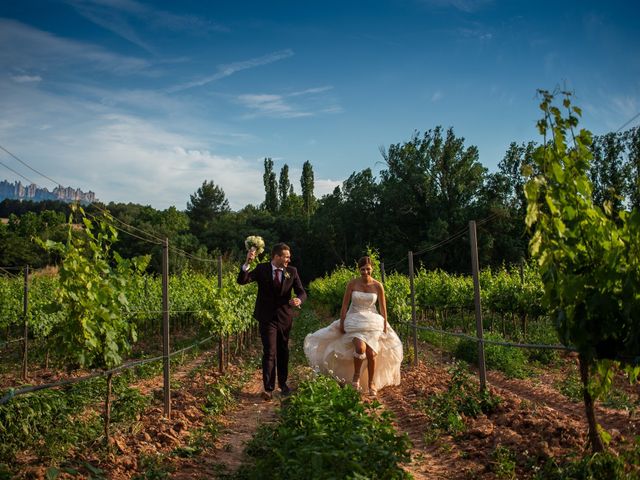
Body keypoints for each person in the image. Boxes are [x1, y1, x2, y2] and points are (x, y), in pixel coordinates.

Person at [304, 256, 402, 396]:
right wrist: (343, 322)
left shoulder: (377, 285)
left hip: (372, 321)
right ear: (359, 270)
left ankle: (371, 383)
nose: (365, 272)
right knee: (360, 348)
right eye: (362, 269)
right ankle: (356, 376)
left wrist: (385, 325)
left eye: (368, 269)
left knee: (372, 352)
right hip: (354, 319)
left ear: (372, 269)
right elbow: (344, 306)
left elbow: (383, 307)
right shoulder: (352, 284)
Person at [238, 242, 307, 401]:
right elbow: (243, 280)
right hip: (266, 317)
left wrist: (298, 300)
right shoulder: (262, 269)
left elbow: (301, 292)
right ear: (277, 256)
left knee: (283, 351)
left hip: (284, 317)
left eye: (289, 257)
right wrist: (248, 262)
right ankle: (268, 388)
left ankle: (283, 385)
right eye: (286, 257)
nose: (289, 260)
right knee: (269, 351)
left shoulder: (292, 271)